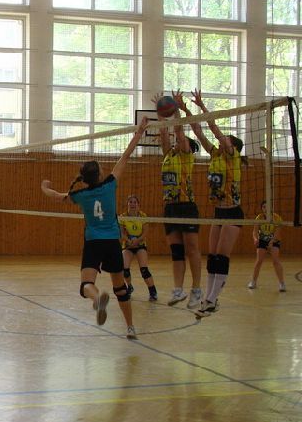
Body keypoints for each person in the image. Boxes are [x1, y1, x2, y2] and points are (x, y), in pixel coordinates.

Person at [41, 117, 148, 340]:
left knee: (86, 285)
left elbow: (56, 196)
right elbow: (125, 156)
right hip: (112, 242)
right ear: (99, 174)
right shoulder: (110, 184)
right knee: (120, 289)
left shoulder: (80, 195)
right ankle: (130, 328)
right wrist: (139, 132)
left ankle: (97, 298)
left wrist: (44, 187)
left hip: (93, 243)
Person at [187, 89, 247, 318]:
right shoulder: (215, 155)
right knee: (212, 257)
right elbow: (199, 132)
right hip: (218, 212)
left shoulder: (232, 157)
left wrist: (203, 107)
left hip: (233, 212)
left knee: (221, 257)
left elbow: (213, 129)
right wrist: (186, 111)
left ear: (233, 146)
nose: (222, 140)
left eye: (227, 139)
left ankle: (211, 300)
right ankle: (209, 299)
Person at [158, 91, 203, 309]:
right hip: (170, 207)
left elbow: (178, 131)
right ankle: (178, 289)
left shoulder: (186, 155)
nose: (177, 142)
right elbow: (164, 134)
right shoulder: (169, 155)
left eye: (181, 141)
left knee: (191, 248)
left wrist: (176, 110)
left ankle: (197, 289)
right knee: (176, 252)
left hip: (187, 206)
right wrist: (160, 115)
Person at [119, 195, 158, 301]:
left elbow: (145, 232)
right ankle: (129, 287)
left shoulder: (143, 216)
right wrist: (129, 241)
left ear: (138, 204)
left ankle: (153, 292)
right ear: (127, 204)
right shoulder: (123, 216)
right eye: (130, 202)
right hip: (128, 245)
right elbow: (121, 233)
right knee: (125, 270)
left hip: (140, 244)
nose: (132, 204)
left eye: (134, 202)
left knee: (144, 270)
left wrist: (137, 240)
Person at [248, 201, 286, 291]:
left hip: (274, 240)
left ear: (271, 208)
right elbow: (255, 231)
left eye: (267, 207)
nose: (266, 208)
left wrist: (272, 241)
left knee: (275, 261)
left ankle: (282, 283)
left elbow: (277, 232)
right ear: (262, 208)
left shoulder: (276, 218)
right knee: (259, 261)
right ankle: (253, 282)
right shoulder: (259, 217)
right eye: (264, 207)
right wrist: (255, 239)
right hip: (262, 240)